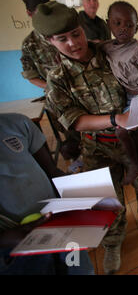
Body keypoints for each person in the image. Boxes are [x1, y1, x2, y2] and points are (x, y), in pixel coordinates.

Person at [32, 1, 138, 275]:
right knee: (105, 201)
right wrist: (115, 120)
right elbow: (74, 119)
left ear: (84, 29)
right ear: (49, 41)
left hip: (135, 136)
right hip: (97, 147)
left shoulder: (109, 51)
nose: (73, 43)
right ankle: (113, 243)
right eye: (62, 39)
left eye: (76, 34)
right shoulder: (58, 77)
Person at [0, 113, 94, 275]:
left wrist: (79, 191)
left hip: (59, 224)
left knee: (79, 268)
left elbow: (52, 170)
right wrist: (4, 238)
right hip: (13, 248)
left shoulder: (17, 123)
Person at [102, 1, 138, 186]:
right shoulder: (107, 47)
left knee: (122, 131)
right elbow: (93, 47)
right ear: (108, 24)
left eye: (129, 25)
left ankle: (135, 165)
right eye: (117, 23)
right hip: (126, 96)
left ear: (136, 28)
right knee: (137, 133)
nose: (123, 29)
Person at [20, 0, 81, 162]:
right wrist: (52, 88)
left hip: (83, 91)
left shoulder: (69, 31)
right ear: (29, 13)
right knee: (71, 133)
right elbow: (31, 75)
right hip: (58, 98)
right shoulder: (29, 44)